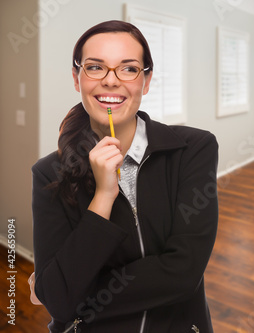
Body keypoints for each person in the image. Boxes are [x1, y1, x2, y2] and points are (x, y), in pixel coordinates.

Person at [29, 20, 218, 333]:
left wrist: (65, 294)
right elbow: (59, 299)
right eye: (95, 67)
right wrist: (103, 196)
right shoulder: (48, 173)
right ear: (77, 79)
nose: (111, 81)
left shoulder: (194, 149)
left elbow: (183, 274)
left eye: (128, 69)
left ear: (146, 81)